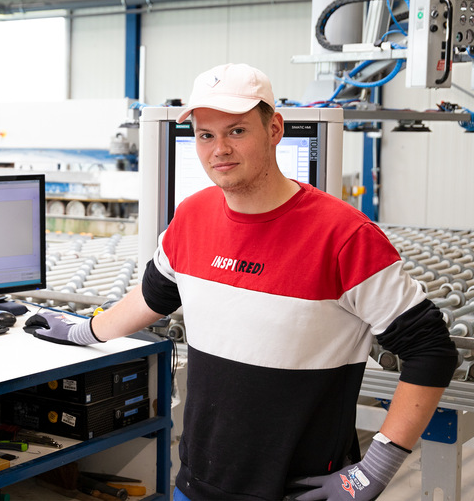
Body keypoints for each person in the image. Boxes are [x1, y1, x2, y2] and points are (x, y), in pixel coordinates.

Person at [25, 63, 458, 501]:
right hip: (198, 483)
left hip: (300, 490)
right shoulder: (191, 217)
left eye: (236, 131)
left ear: (274, 129)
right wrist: (80, 330)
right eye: (205, 135)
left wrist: (374, 469)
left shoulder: (344, 236)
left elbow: (432, 351)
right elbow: (152, 298)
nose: (219, 150)